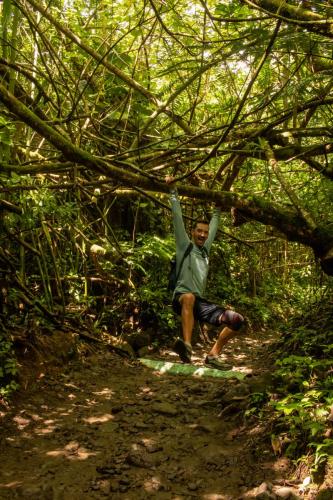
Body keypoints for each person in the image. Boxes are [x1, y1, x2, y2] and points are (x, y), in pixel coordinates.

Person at [166, 176, 245, 369]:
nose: (202, 235)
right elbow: (177, 218)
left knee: (237, 320)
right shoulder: (184, 245)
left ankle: (213, 355)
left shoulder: (205, 251)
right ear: (193, 232)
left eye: (205, 233)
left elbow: (215, 225)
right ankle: (187, 346)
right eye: (199, 231)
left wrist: (218, 209)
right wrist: (173, 191)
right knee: (189, 297)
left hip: (199, 303)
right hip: (181, 299)